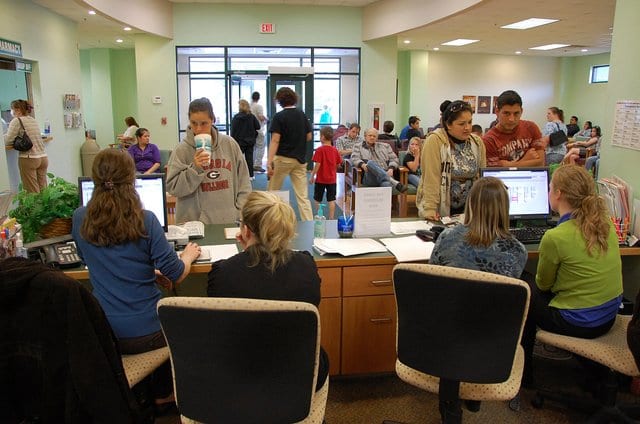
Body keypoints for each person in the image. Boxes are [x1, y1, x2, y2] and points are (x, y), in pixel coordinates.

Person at [72, 148, 201, 412]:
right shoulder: (145, 220)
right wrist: (187, 256)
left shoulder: (80, 218)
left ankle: (138, 393)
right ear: (132, 179)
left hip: (104, 331)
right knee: (186, 322)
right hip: (148, 333)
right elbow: (176, 273)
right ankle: (164, 394)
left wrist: (146, 272)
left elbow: (100, 261)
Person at [207, 191, 329, 392]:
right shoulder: (306, 265)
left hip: (239, 377)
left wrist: (246, 251)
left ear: (246, 231)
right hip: (301, 376)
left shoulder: (222, 273)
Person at [521, 165, 623, 386]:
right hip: (608, 318)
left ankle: (525, 375)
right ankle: (594, 372)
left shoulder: (555, 237)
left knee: (524, 287)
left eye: (549, 187)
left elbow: (544, 284)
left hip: (576, 323)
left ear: (558, 194)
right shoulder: (606, 224)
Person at [167, 97, 251, 224]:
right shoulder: (181, 150)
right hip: (194, 224)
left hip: (228, 220)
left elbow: (244, 182)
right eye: (194, 123)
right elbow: (173, 188)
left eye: (204, 123)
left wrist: (239, 212)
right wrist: (194, 168)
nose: (198, 129)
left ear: (213, 120)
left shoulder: (230, 144)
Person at [430, 177, 527, 278]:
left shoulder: (446, 237)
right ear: (504, 208)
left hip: (451, 293)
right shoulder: (518, 251)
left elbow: (431, 277)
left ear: (470, 204)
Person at [417, 100, 486, 220]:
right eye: (461, 124)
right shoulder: (435, 141)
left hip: (469, 211)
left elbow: (482, 177)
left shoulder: (477, 142)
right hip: (441, 210)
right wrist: (430, 209)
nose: (467, 128)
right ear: (448, 125)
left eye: (470, 122)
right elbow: (431, 178)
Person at [267, 87, 314, 221]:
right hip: (299, 161)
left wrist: (269, 162)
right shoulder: (301, 114)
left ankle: (270, 222)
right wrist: (296, 139)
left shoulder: (279, 116)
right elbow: (309, 136)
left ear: (280, 101)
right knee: (303, 197)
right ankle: (309, 224)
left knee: (272, 194)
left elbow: (275, 140)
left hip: (282, 159)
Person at [482, 90, 544, 167]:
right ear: (497, 112)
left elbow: (540, 163)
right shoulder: (489, 140)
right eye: (506, 113)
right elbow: (495, 172)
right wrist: (525, 160)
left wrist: (509, 165)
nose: (511, 119)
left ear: (521, 111)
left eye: (516, 113)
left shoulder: (531, 128)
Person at [3, 99, 50, 193]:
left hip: (29, 158)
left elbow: (8, 140)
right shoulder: (33, 120)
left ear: (18, 110)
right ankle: (46, 207)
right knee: (43, 190)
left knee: (32, 191)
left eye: (12, 109)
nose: (11, 112)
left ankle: (35, 208)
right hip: (43, 158)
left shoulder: (17, 121)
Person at [351, 127, 407, 192]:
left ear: (377, 138)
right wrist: (362, 165)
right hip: (370, 177)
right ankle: (394, 182)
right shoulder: (358, 146)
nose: (372, 137)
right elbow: (354, 158)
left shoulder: (386, 146)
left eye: (374, 136)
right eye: (370, 135)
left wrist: (391, 168)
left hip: (385, 173)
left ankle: (387, 201)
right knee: (370, 163)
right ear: (365, 136)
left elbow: (394, 159)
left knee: (387, 185)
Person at [310, 126, 342, 219]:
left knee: (317, 199)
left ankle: (320, 215)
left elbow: (317, 164)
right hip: (332, 180)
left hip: (320, 179)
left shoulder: (319, 150)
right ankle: (331, 218)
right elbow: (338, 165)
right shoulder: (335, 150)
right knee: (331, 199)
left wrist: (312, 175)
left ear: (322, 137)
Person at [231, 99, 260, 179]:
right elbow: (258, 126)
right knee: (249, 159)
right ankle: (251, 175)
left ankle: (237, 176)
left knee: (237, 159)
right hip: (250, 141)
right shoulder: (251, 116)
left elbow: (233, 131)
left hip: (239, 142)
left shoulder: (236, 117)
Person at [250, 91, 268, 173]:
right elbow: (261, 117)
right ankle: (257, 165)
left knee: (252, 148)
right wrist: (267, 119)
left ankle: (251, 164)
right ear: (258, 98)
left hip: (250, 130)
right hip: (258, 129)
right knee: (260, 147)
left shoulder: (249, 106)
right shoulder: (259, 106)